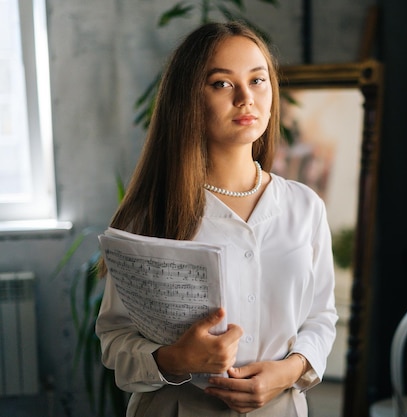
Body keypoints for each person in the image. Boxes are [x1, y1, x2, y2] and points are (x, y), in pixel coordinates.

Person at [95, 20, 338, 417]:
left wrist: (288, 370)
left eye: (258, 80)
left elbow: (321, 317)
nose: (246, 98)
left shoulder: (304, 206)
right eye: (222, 84)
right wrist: (174, 359)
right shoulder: (149, 214)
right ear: (188, 98)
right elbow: (114, 340)